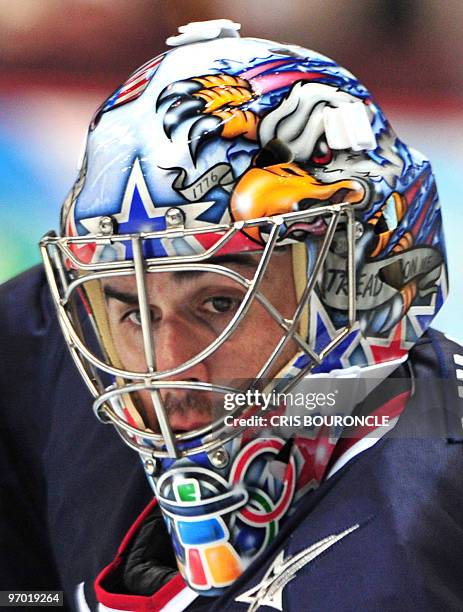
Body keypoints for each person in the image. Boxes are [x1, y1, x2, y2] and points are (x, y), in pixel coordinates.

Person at [2, 18, 463, 611]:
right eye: (134, 312)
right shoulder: (65, 357)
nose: (169, 375)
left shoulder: (418, 543)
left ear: (361, 288)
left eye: (218, 304)